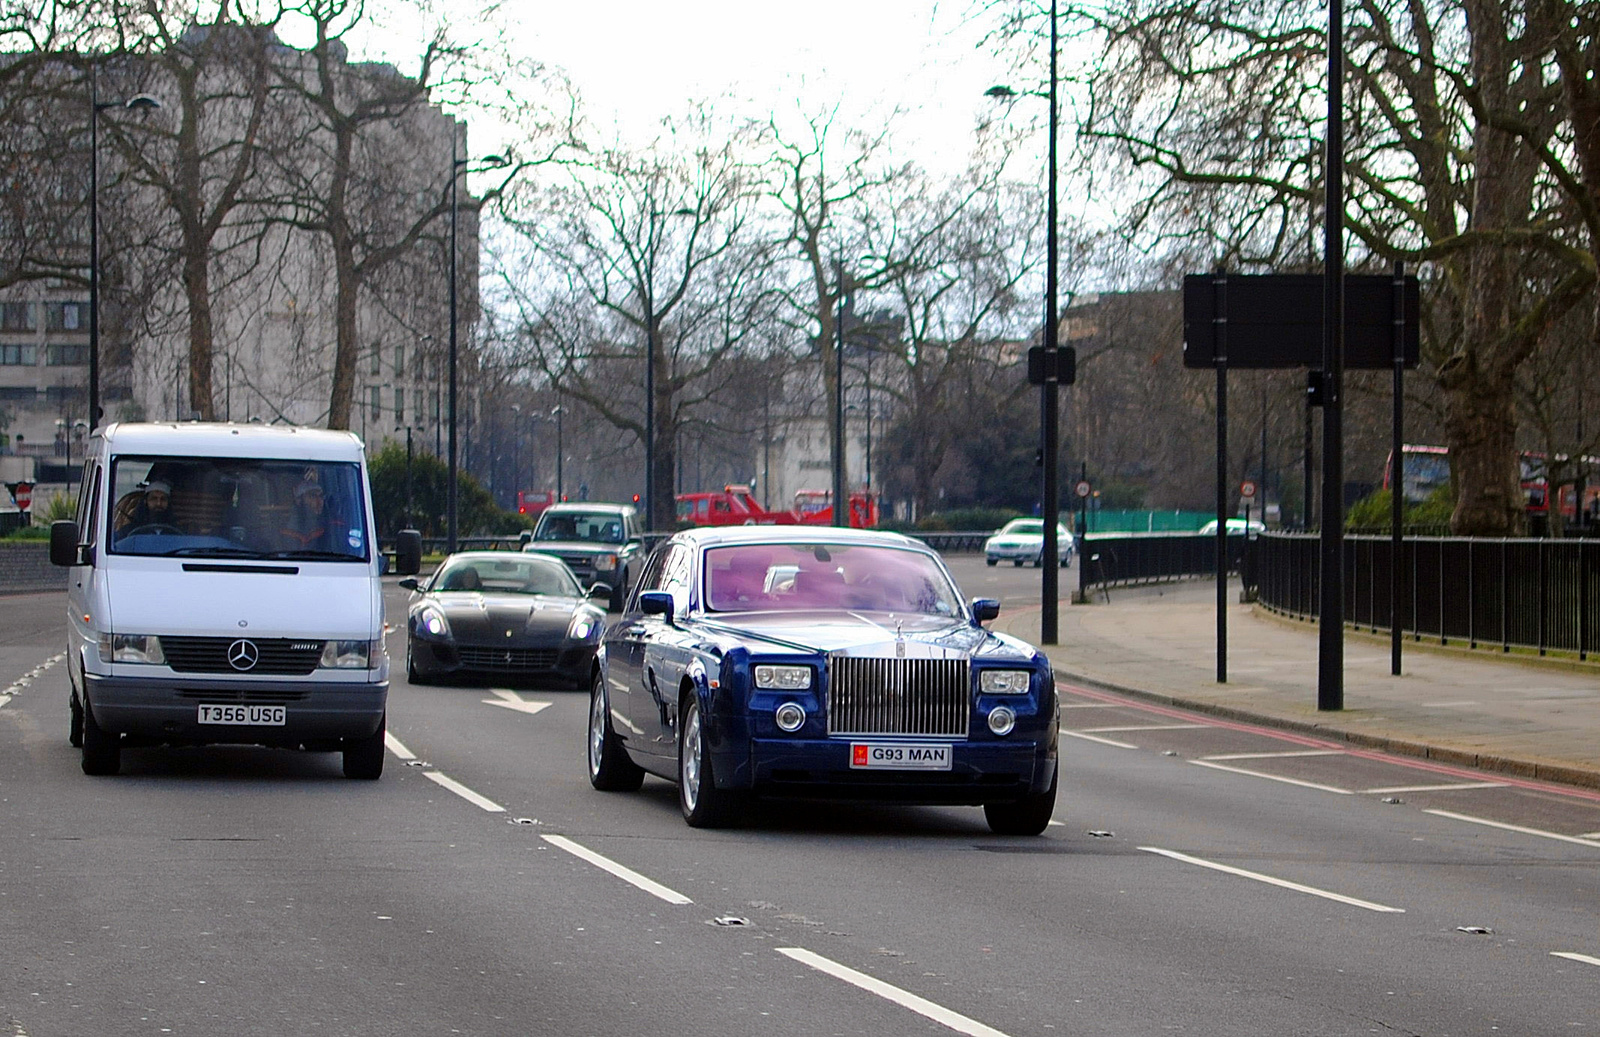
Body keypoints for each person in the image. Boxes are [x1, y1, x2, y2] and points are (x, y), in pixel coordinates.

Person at [279, 475, 336, 551]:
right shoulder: (285, 534)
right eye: (312, 496)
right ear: (298, 500)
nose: (319, 501)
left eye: (321, 496)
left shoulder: (332, 529)